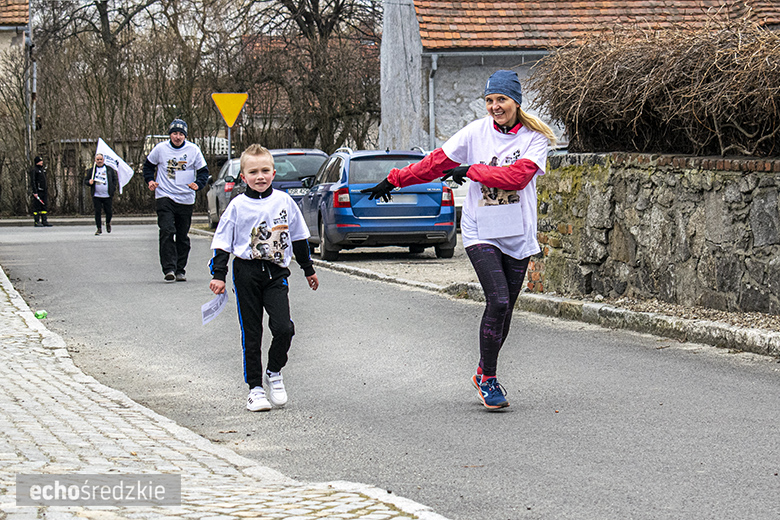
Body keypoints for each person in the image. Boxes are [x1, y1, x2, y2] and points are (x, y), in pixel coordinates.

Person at [362, 70, 556, 411]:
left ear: (516, 102)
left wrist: (470, 170)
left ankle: (482, 372)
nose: (495, 107)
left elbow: (517, 177)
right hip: (481, 230)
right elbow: (435, 164)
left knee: (506, 310)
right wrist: (394, 180)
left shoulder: (534, 138)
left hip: (517, 232)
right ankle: (490, 380)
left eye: (502, 100)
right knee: (498, 301)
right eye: (490, 101)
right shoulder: (475, 132)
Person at [209, 144, 319, 412]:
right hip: (246, 271)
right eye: (253, 172)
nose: (260, 176)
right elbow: (222, 242)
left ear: (273, 173)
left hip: (275, 271)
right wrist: (219, 275)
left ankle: (274, 371)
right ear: (243, 177)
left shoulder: (284, 201)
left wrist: (308, 269)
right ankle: (255, 388)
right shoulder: (237, 206)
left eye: (265, 171)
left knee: (284, 328)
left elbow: (299, 237)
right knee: (252, 331)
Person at [143, 119, 209, 282]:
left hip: (185, 198)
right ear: (170, 135)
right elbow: (148, 166)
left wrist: (198, 184)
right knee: (167, 230)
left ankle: (180, 269)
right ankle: (169, 268)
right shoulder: (160, 149)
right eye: (174, 133)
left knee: (182, 235)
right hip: (165, 195)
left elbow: (203, 172)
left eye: (181, 134)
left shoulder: (193, 150)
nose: (177, 137)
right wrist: (150, 181)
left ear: (185, 136)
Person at [84, 153, 119, 235]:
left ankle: (108, 223)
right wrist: (89, 182)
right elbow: (86, 181)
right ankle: (99, 228)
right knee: (97, 212)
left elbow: (114, 180)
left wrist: (113, 189)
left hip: (107, 195)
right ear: (95, 160)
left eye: (100, 159)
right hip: (97, 195)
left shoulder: (109, 170)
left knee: (108, 212)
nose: (99, 161)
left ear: (103, 160)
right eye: (97, 159)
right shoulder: (92, 170)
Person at [29, 156, 52, 227]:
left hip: (44, 191)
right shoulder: (34, 170)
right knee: (37, 207)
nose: (42, 162)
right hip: (38, 191)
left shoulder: (42, 170)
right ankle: (36, 221)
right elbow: (33, 181)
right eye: (40, 161)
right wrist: (35, 192)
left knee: (44, 206)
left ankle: (44, 221)